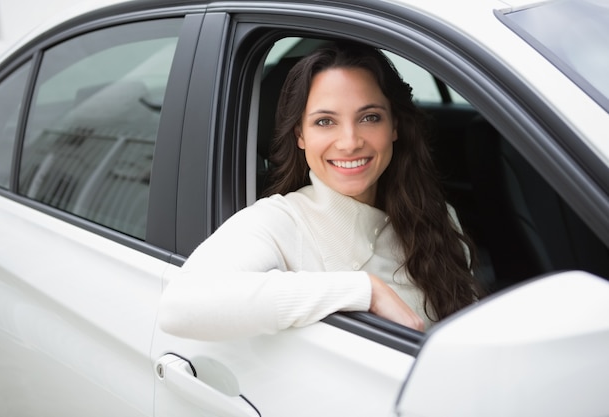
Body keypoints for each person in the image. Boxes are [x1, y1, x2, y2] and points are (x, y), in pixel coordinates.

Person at [159, 41, 481, 341]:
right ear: (300, 134)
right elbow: (180, 306)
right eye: (325, 122)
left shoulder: (437, 217)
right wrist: (364, 290)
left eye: (370, 117)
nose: (350, 141)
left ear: (394, 126)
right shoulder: (280, 222)